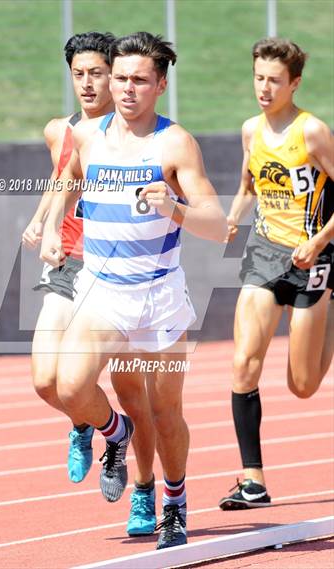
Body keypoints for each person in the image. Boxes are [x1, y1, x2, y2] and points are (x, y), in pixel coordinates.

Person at [41, 31, 227, 549]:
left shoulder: (175, 143)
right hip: (102, 293)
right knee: (70, 388)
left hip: (158, 300)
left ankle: (175, 501)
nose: (126, 89)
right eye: (119, 77)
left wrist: (175, 209)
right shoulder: (88, 135)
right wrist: (55, 225)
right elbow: (67, 179)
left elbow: (218, 225)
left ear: (160, 84)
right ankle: (116, 434)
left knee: (167, 414)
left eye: (139, 80)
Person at [22, 32, 157, 537]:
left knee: (132, 390)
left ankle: (143, 495)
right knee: (45, 381)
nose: (87, 83)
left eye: (96, 73)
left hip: (121, 273)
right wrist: (45, 224)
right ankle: (99, 427)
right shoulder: (63, 130)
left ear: (115, 74)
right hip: (70, 265)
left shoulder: (137, 134)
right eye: (77, 73)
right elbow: (63, 179)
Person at [219, 38, 334, 511]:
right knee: (244, 363)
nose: (264, 89)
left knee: (302, 385)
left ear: (295, 84)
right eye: (258, 78)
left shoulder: (313, 133)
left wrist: (320, 241)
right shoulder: (251, 130)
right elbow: (249, 186)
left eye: (274, 81)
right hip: (264, 254)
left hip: (312, 259)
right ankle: (253, 482)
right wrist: (231, 217)